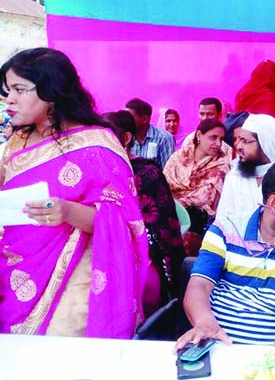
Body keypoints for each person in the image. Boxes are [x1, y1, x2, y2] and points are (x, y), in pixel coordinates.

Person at [0, 47, 148, 337]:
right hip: (17, 267)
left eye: (19, 89)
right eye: (7, 91)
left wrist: (67, 211)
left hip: (73, 275)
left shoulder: (96, 145)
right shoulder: (17, 141)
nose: (9, 100)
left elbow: (122, 222)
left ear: (52, 90)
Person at [176, 160, 275, 347]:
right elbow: (199, 286)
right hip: (221, 345)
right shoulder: (227, 229)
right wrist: (204, 322)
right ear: (274, 203)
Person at [104, 110, 186, 311]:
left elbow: (158, 230)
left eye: (105, 136)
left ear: (126, 138)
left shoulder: (146, 174)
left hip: (145, 258)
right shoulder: (100, 171)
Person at [215, 114, 275, 222]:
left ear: (265, 144)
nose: (238, 147)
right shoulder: (234, 176)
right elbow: (222, 221)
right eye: (239, 140)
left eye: (245, 141)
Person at [164, 119, 230, 219]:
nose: (218, 144)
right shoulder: (179, 156)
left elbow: (205, 198)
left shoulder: (221, 166)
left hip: (196, 221)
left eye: (221, 139)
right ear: (199, 135)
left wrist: (178, 203)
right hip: (166, 213)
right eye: (213, 138)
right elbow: (164, 184)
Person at [126, 98, 175, 168]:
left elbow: (167, 172)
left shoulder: (164, 138)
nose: (126, 120)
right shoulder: (126, 139)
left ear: (144, 119)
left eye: (130, 117)